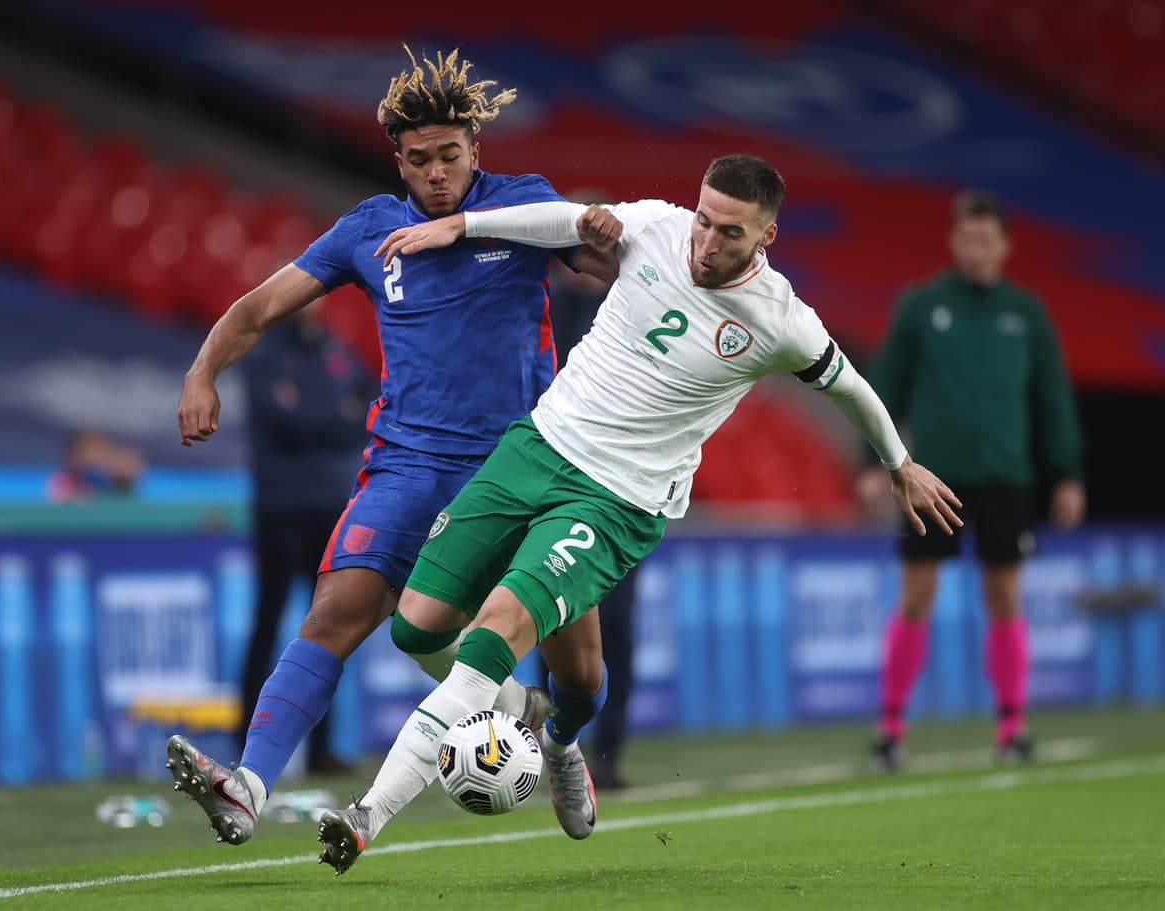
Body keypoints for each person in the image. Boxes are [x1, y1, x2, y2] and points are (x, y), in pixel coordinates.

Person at [314, 153, 963, 875]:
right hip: (536, 446)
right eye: (705, 222)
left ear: (767, 236)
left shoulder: (783, 320)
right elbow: (560, 221)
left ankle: (368, 815)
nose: (707, 244)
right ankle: (549, 727)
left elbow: (851, 387)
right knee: (418, 626)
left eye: (729, 235)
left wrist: (898, 462)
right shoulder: (658, 225)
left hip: (616, 497)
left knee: (495, 631)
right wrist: (460, 226)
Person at [167, 46, 619, 847]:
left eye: (451, 155)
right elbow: (257, 308)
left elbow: (597, 260)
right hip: (407, 463)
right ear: (397, 160)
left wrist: (606, 234)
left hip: (523, 466)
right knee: (336, 613)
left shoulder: (520, 206)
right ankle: (249, 785)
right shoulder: (368, 228)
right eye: (420, 160)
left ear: (476, 150)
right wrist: (203, 371)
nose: (437, 172)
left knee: (579, 675)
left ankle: (555, 736)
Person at [856, 190, 1085, 772]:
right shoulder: (922, 304)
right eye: (965, 239)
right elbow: (884, 385)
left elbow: (1052, 397)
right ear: (952, 241)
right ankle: (890, 729)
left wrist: (1068, 472)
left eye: (986, 240)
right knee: (916, 595)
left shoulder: (1027, 312)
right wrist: (871, 462)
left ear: (1005, 245)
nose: (975, 250)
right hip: (934, 479)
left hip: (1007, 475)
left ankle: (1012, 727)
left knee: (1005, 596)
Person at [239, 306, 378, 774]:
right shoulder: (265, 357)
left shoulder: (337, 353)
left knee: (329, 625)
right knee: (268, 622)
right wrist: (329, 411)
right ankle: (248, 746)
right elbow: (287, 420)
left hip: (328, 508)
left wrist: (312, 410)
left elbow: (366, 410)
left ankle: (321, 750)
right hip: (280, 508)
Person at [547, 193, 639, 791]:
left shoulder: (629, 308)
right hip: (553, 483)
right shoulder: (541, 309)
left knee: (619, 627)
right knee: (543, 616)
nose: (588, 255)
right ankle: (541, 749)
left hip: (618, 487)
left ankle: (607, 756)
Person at [46, 428, 145, 503]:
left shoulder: (113, 480)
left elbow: (127, 503)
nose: (97, 458)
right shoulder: (63, 480)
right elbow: (61, 505)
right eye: (91, 451)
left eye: (101, 450)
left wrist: (125, 481)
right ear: (72, 457)